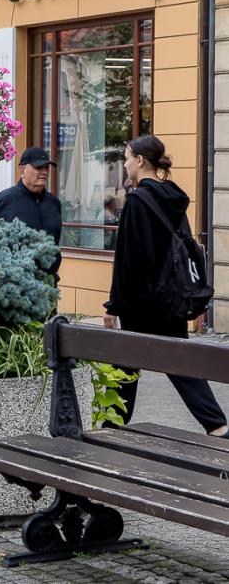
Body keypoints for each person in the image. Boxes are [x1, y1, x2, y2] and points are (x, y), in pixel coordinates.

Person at [103, 135, 228, 437]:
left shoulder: (136, 202)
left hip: (142, 302)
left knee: (125, 363)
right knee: (177, 362)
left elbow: (128, 262)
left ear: (140, 161)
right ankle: (218, 426)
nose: (125, 163)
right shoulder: (174, 197)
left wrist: (113, 306)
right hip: (173, 297)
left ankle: (110, 427)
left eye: (127, 157)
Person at [0, 146, 63, 279]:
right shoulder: (3, 201)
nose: (44, 172)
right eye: (38, 167)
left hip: (48, 283)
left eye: (46, 167)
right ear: (22, 170)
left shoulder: (54, 203)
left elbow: (55, 242)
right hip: (15, 283)